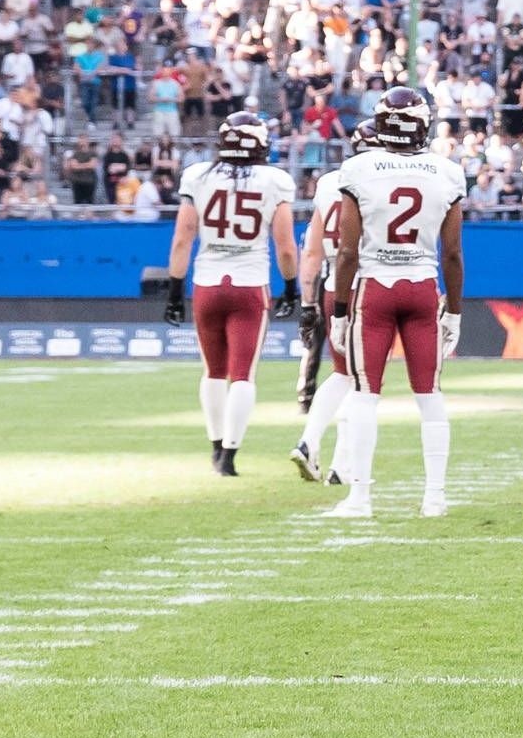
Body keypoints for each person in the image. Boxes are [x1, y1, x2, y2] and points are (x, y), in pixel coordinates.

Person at [326, 86, 469, 520]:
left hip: (376, 288)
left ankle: (360, 498)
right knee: (429, 394)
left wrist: (338, 308)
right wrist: (456, 309)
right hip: (423, 286)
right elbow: (452, 254)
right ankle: (435, 497)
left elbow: (347, 252)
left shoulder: (358, 168)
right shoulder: (446, 172)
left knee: (366, 394)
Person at [162, 110, 299, 477]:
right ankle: (230, 455)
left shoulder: (198, 176)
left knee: (213, 371)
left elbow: (182, 238)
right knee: (242, 374)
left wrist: (175, 289)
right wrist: (291, 286)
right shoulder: (275, 180)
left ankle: (214, 444)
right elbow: (285, 246)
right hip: (250, 284)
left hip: (207, 282)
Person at [288, 150, 366, 484]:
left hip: (332, 283)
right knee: (364, 380)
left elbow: (311, 251)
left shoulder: (329, 183)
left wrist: (308, 302)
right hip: (367, 283)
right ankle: (342, 466)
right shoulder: (378, 178)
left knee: (343, 374)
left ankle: (311, 443)